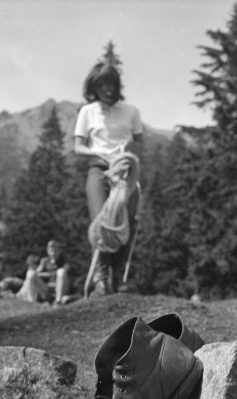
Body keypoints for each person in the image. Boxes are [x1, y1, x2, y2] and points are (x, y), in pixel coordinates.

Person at [74, 62, 143, 296]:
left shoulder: (131, 111)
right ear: (94, 86)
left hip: (125, 171)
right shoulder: (88, 111)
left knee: (127, 222)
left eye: (111, 84)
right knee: (103, 221)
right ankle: (101, 278)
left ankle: (117, 276)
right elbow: (78, 147)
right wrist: (99, 153)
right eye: (102, 84)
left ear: (117, 85)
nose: (107, 89)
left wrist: (127, 150)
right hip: (99, 170)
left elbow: (140, 141)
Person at [37, 239, 71, 306]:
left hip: (62, 288)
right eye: (50, 247)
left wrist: (47, 274)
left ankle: (58, 301)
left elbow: (63, 272)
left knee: (61, 271)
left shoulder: (65, 261)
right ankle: (34, 302)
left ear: (60, 250)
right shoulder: (44, 261)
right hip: (47, 288)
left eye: (54, 246)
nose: (52, 248)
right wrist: (50, 274)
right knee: (30, 274)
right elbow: (37, 274)